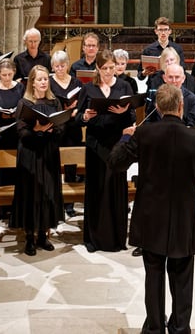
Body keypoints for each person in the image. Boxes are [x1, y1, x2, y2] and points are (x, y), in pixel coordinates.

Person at [109, 84, 195, 334]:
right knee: (182, 278)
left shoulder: (144, 135)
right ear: (181, 106)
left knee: (153, 275)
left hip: (151, 217)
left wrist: (125, 136)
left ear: (156, 107)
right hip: (183, 218)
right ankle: (179, 327)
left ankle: (154, 327)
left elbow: (116, 163)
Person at [76, 49, 136, 252]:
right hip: (95, 146)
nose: (109, 72)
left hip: (117, 146)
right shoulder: (88, 88)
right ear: (97, 68)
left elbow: (131, 120)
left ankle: (117, 239)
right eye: (105, 69)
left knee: (115, 192)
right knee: (96, 190)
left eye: (112, 67)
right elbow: (77, 120)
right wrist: (85, 117)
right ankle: (93, 239)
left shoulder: (124, 85)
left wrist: (124, 111)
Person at [12, 65, 65, 256]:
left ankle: (43, 234)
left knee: (47, 192)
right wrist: (37, 131)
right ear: (32, 82)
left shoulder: (54, 102)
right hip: (30, 153)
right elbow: (20, 131)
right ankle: (29, 237)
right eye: (40, 79)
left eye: (45, 79)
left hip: (49, 152)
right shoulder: (24, 103)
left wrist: (50, 131)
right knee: (31, 193)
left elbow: (61, 129)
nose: (43, 82)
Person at [49, 50, 84, 219]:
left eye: (62, 66)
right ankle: (55, 202)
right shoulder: (48, 82)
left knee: (71, 165)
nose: (60, 69)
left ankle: (69, 204)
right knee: (55, 163)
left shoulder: (76, 82)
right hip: (56, 128)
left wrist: (75, 109)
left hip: (72, 127)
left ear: (67, 65)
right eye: (56, 66)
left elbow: (83, 103)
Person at [0, 59, 25, 150]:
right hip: (1, 129)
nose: (7, 78)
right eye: (4, 75)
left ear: (14, 72)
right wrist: (1, 115)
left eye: (10, 74)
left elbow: (25, 106)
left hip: (18, 128)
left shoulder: (20, 87)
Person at [145, 63, 195, 128]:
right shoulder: (157, 95)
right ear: (164, 78)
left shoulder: (192, 98)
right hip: (159, 134)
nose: (174, 81)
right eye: (170, 77)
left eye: (177, 77)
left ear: (183, 78)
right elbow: (148, 120)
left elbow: (192, 125)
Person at [138, 17, 186, 81]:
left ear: (170, 31)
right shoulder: (148, 50)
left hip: (172, 83)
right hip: (154, 84)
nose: (163, 33)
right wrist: (144, 73)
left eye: (166, 29)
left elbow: (183, 69)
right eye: (160, 30)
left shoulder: (177, 49)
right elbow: (140, 76)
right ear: (156, 31)